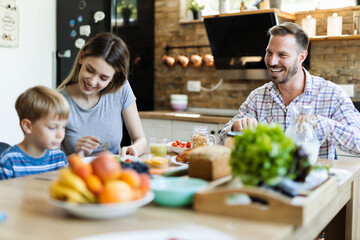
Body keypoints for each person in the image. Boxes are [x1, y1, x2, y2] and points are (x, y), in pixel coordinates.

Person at [219, 22, 360, 160]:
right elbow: (220, 143)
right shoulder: (258, 97)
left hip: (314, 181)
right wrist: (234, 129)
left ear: (301, 57)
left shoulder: (332, 95)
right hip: (267, 180)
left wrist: (320, 123)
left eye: (282, 55)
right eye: (269, 53)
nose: (272, 61)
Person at [58, 32, 147, 157]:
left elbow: (140, 140)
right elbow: (52, 163)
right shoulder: (59, 101)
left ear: (114, 78)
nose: (92, 81)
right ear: (81, 57)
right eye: (89, 70)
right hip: (76, 174)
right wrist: (77, 155)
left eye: (103, 78)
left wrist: (134, 150)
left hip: (113, 173)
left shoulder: (120, 89)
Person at [0, 86, 70, 180]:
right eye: (52, 127)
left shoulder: (59, 158)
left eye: (63, 127)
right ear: (28, 126)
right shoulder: (9, 161)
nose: (60, 135)